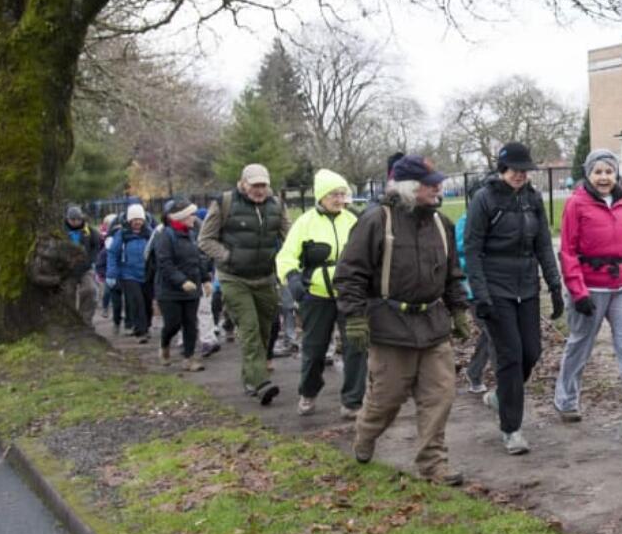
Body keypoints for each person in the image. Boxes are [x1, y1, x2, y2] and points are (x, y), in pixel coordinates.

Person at [333, 155, 470, 485]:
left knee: (440, 396)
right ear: (410, 188)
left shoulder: (442, 224)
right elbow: (349, 274)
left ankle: (433, 464)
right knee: (386, 400)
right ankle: (365, 435)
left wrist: (459, 309)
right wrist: (354, 317)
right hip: (390, 327)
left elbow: (452, 273)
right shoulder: (376, 221)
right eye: (430, 184)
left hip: (433, 326)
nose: (438, 187)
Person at [464, 142, 564, 455]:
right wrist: (480, 294)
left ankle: (501, 397)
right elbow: (472, 249)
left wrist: (555, 285)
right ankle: (512, 429)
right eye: (514, 169)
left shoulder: (533, 199)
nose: (520, 175)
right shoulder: (484, 200)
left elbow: (544, 246)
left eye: (524, 170)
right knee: (510, 356)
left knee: (531, 352)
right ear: (502, 169)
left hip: (527, 286)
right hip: (496, 288)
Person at [553, 149, 622, 429]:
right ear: (588, 174)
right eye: (598, 172)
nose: (603, 177)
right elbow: (568, 251)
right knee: (580, 344)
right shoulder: (576, 204)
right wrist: (578, 291)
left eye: (609, 171)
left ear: (616, 174)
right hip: (590, 288)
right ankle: (567, 400)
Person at [197, 164, 291, 405]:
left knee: (264, 329)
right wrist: (228, 256)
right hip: (234, 278)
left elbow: (289, 237)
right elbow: (205, 240)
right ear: (243, 183)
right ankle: (260, 383)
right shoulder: (225, 203)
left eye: (263, 185)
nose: (259, 190)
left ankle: (249, 376)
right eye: (255, 185)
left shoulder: (277, 205)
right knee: (249, 329)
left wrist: (289, 260)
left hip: (265, 276)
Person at [276, 169, 365, 419]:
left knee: (356, 346)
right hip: (316, 295)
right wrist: (292, 278)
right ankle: (308, 391)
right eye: (334, 194)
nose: (339, 199)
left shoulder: (353, 220)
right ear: (321, 197)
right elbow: (285, 256)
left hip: (351, 294)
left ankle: (352, 401)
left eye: (342, 194)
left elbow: (370, 253)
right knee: (314, 350)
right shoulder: (305, 223)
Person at [152, 199, 210, 371]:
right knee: (173, 323)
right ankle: (164, 345)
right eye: (190, 214)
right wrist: (181, 281)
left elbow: (198, 259)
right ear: (180, 217)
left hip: (192, 289)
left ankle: (189, 358)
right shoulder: (164, 236)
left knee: (191, 323)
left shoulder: (191, 235)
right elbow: (164, 264)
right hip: (169, 290)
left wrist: (205, 279)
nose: (194, 217)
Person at [454, 175, 494, 394]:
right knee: (492, 332)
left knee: (492, 332)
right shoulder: (465, 222)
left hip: (494, 287)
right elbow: (461, 257)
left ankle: (475, 371)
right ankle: (478, 373)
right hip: (472, 289)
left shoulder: (495, 218)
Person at [107, 203, 154, 343]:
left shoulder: (149, 234)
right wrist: (111, 274)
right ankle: (141, 332)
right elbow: (113, 253)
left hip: (146, 274)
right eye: (134, 220)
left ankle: (147, 325)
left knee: (147, 302)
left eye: (140, 219)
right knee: (136, 302)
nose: (137, 222)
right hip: (128, 274)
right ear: (129, 220)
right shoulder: (122, 234)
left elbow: (156, 252)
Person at [64, 205, 100, 322]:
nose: (75, 222)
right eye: (72, 219)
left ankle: (85, 319)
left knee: (90, 290)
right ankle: (70, 320)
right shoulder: (61, 231)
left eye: (78, 219)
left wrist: (91, 260)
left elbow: (96, 246)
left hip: (85, 267)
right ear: (68, 219)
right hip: (67, 269)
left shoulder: (89, 231)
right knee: (67, 293)